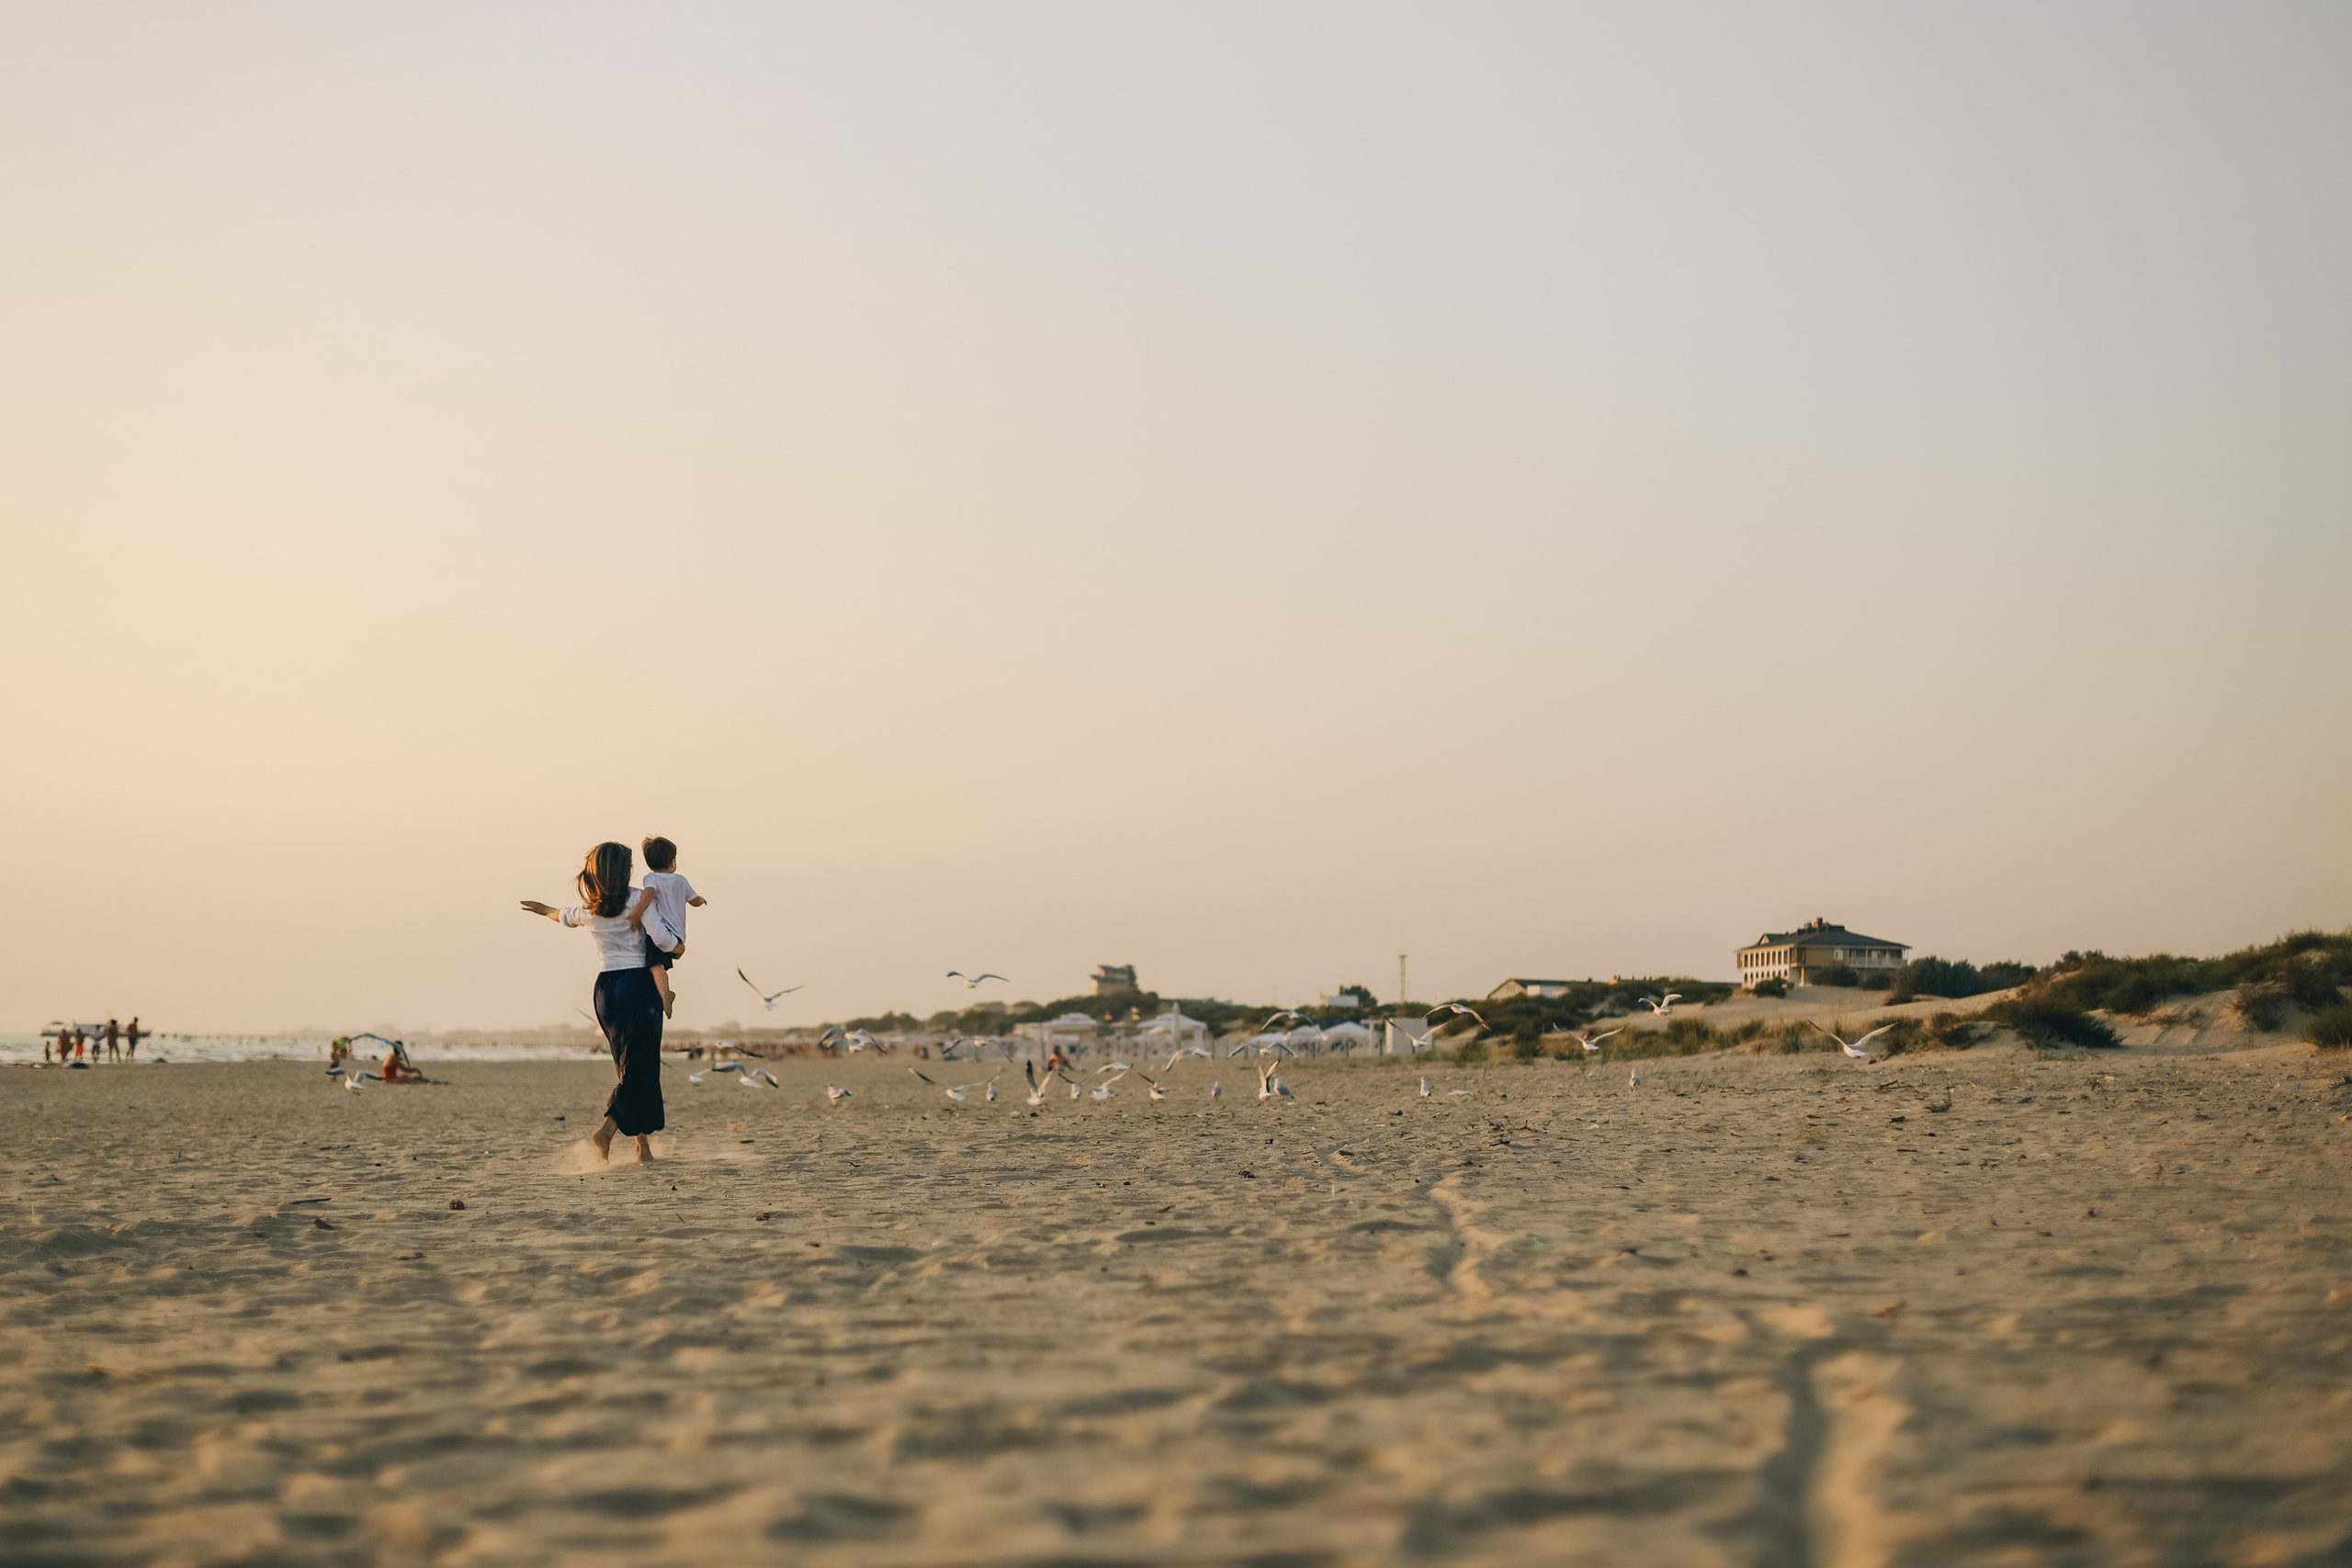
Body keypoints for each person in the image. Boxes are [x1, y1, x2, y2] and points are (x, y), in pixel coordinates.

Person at [521, 841, 664, 1163]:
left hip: (606, 991)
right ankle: (608, 1130)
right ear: (624, 870)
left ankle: (643, 1147)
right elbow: (663, 937)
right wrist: (677, 946)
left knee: (629, 1067)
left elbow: (562, 916)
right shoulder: (639, 900)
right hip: (637, 985)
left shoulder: (590, 908)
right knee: (641, 1067)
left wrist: (544, 909)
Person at [629, 836, 705, 1020]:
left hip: (660, 932)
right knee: (662, 963)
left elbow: (650, 892)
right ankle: (664, 990)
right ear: (673, 861)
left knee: (656, 966)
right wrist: (701, 900)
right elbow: (694, 900)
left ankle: (665, 994)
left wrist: (637, 912)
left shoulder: (651, 878)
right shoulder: (681, 881)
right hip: (678, 935)